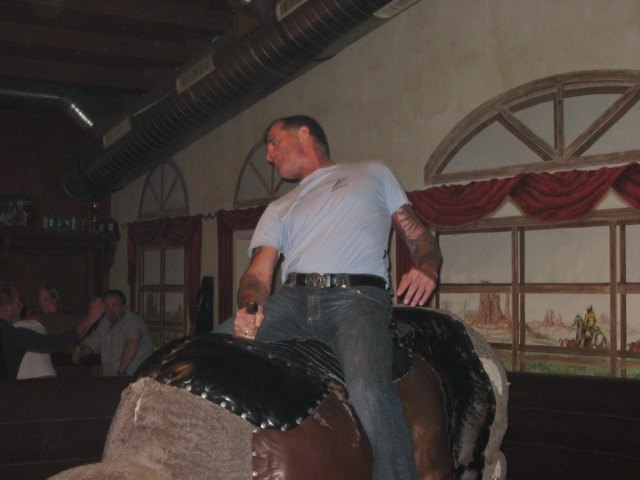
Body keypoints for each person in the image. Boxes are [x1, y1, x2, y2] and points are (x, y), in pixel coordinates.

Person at [227, 115, 442, 480]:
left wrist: (428, 268)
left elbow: (419, 236)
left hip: (357, 298)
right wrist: (250, 308)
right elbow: (257, 276)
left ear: (304, 134)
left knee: (368, 390)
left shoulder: (372, 173)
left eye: (274, 142)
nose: (268, 155)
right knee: (217, 349)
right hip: (292, 299)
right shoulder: (279, 207)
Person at [0, 285, 105, 381]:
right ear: (8, 308)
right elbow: (55, 342)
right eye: (18, 302)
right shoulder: (12, 334)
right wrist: (90, 319)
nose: (22, 306)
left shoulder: (11, 332)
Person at [73, 289, 154, 377]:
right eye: (107, 307)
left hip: (133, 379)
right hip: (111, 379)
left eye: (115, 306)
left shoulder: (132, 322)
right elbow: (90, 345)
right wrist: (78, 350)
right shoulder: (104, 323)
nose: (111, 311)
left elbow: (132, 342)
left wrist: (121, 371)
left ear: (124, 307)